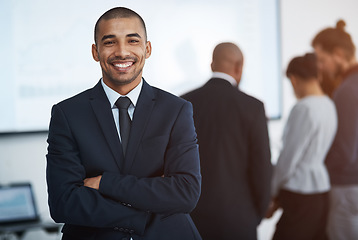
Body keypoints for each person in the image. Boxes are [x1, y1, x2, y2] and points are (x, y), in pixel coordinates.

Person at [46, 7, 202, 240]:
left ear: (147, 49)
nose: (122, 52)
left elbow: (186, 192)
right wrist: (144, 213)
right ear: (95, 51)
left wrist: (105, 183)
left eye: (132, 41)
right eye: (110, 42)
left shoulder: (176, 110)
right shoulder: (67, 114)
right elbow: (64, 202)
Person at [181, 42, 272, 240]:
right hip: (239, 219)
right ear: (239, 67)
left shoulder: (183, 103)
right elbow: (262, 168)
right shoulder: (253, 107)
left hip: (191, 220)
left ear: (212, 65)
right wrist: (256, 214)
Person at [267, 53, 337, 240]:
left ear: (294, 79)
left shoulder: (303, 108)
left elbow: (289, 158)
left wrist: (272, 192)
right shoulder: (328, 104)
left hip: (300, 192)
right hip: (321, 190)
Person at [312, 20, 358, 240]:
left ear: (338, 54)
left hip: (346, 187)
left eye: (322, 60)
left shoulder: (347, 90)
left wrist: (317, 171)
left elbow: (344, 151)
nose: (320, 67)